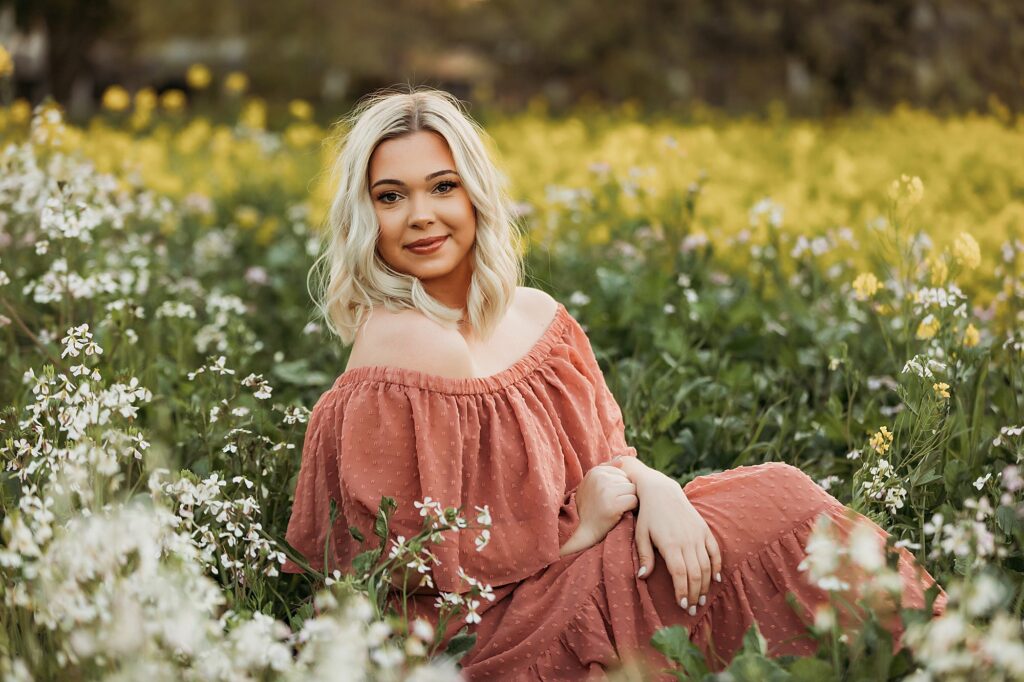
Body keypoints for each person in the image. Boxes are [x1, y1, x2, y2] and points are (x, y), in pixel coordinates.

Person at [281, 85, 947, 680]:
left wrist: (656, 489)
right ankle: (939, 657)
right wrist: (581, 531)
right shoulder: (402, 343)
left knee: (776, 495)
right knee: (781, 507)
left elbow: (609, 459)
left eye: (442, 187)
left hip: (581, 564)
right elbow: (414, 576)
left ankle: (907, 657)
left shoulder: (538, 316)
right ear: (366, 218)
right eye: (391, 197)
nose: (421, 215)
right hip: (493, 634)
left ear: (476, 195)